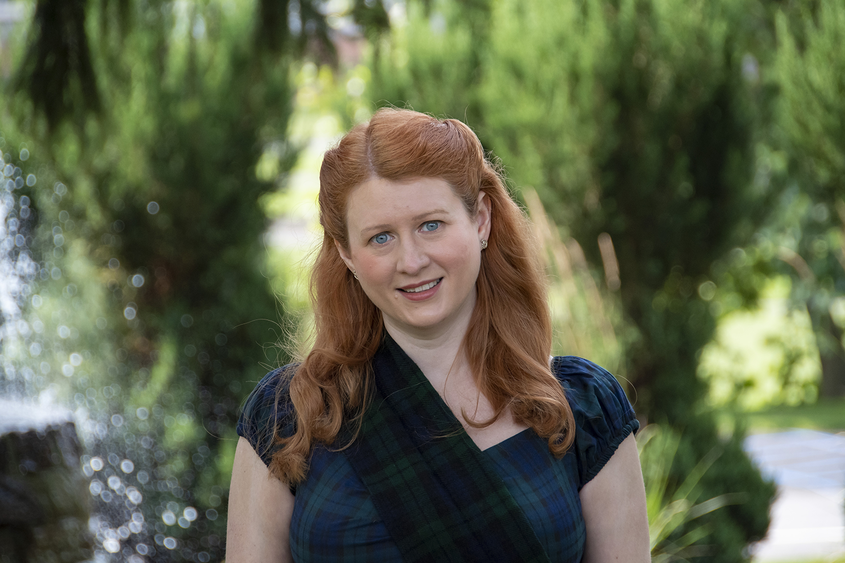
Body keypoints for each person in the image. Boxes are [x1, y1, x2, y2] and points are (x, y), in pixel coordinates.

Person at [226, 108, 650, 563]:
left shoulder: (585, 410)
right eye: (380, 238)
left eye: (431, 225)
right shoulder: (289, 417)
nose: (411, 261)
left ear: (481, 220)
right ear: (347, 252)